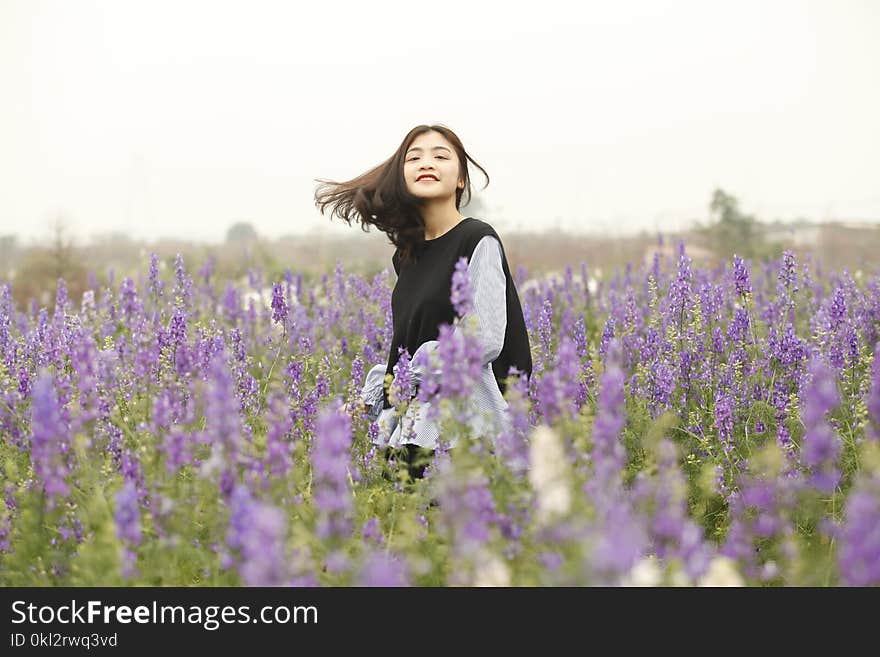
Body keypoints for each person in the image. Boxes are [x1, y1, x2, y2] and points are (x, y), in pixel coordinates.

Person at [314, 124, 532, 480]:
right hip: (411, 426)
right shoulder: (406, 257)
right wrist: (364, 403)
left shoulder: (477, 239)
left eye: (441, 156)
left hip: (464, 429)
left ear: (461, 178)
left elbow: (484, 340)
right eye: (414, 157)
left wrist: (408, 375)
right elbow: (407, 347)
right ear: (402, 176)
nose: (426, 163)